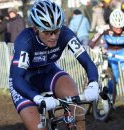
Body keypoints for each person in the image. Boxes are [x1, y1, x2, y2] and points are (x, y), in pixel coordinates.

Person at [9, 0, 99, 130]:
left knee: (77, 109)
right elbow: (17, 79)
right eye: (47, 32)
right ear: (35, 29)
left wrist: (93, 83)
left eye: (56, 30)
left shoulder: (66, 34)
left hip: (49, 72)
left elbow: (86, 61)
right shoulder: (25, 41)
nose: (53, 37)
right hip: (24, 82)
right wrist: (37, 98)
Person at [89, 9, 124, 112]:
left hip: (123, 54)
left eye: (120, 27)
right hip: (110, 55)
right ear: (111, 24)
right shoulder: (104, 28)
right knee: (114, 80)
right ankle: (109, 101)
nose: (119, 29)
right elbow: (92, 42)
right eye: (116, 27)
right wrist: (96, 48)